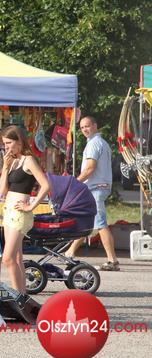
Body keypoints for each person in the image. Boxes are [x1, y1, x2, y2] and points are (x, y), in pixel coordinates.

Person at [0, 125, 50, 293]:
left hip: (20, 212)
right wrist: (5, 167)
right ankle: (22, 294)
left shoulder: (28, 160)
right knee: (16, 257)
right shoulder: (13, 161)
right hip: (9, 209)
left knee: (7, 258)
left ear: (19, 141)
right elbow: (3, 191)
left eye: (9, 143)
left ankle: (17, 295)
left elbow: (45, 185)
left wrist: (31, 206)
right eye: (4, 143)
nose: (6, 147)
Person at [65, 116, 119, 271]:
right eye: (82, 127)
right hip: (98, 187)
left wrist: (75, 183)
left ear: (95, 126)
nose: (84, 130)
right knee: (86, 221)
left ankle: (113, 260)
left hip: (96, 188)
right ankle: (70, 252)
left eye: (87, 126)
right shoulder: (101, 143)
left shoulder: (94, 144)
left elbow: (90, 168)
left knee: (100, 224)